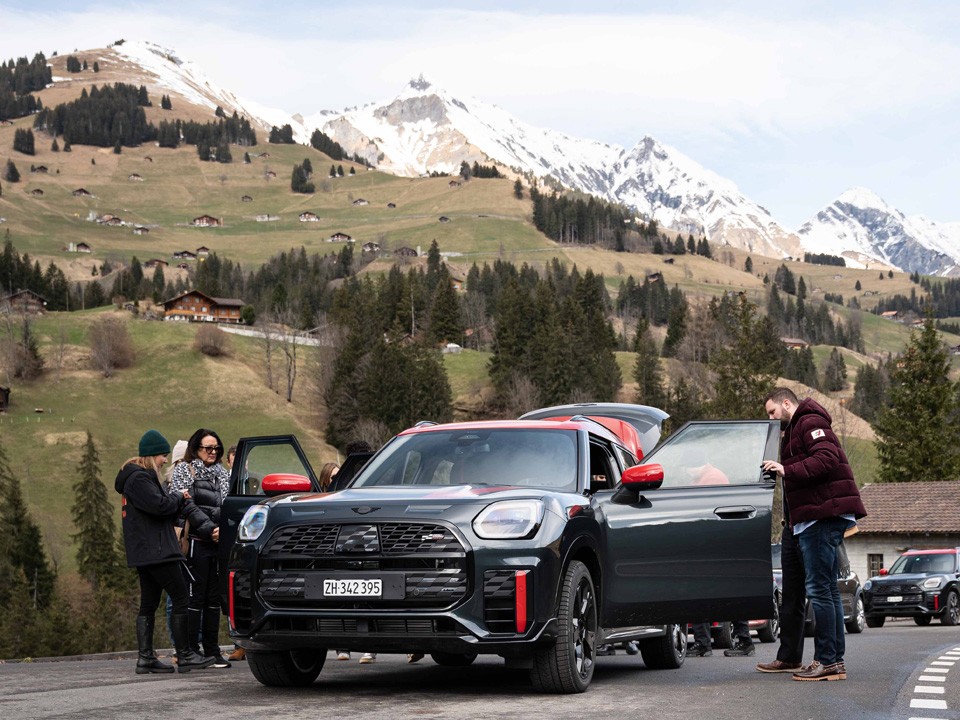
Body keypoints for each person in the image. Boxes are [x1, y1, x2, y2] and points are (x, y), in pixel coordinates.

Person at [761, 387, 866, 682]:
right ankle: (833, 662)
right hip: (811, 519)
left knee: (821, 591)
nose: (771, 418)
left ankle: (829, 661)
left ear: (786, 403)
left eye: (772, 412)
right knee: (827, 590)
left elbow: (827, 458)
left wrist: (786, 469)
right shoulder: (796, 428)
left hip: (821, 517)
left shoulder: (809, 422)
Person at [114, 429, 215, 674]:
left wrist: (173, 499)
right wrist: (178, 497)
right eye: (162, 455)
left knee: (149, 604)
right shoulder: (139, 479)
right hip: (157, 551)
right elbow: (160, 507)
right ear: (151, 455)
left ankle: (146, 658)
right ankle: (185, 655)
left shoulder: (137, 478)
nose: (164, 460)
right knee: (181, 598)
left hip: (146, 552)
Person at [170, 428, 232, 669]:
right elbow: (184, 503)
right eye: (208, 448)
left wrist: (222, 531)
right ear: (196, 449)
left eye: (216, 448)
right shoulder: (185, 470)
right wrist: (208, 529)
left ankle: (213, 650)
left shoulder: (222, 474)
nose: (213, 452)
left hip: (218, 542)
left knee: (214, 599)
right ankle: (192, 649)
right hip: (196, 540)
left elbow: (228, 504)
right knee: (195, 597)